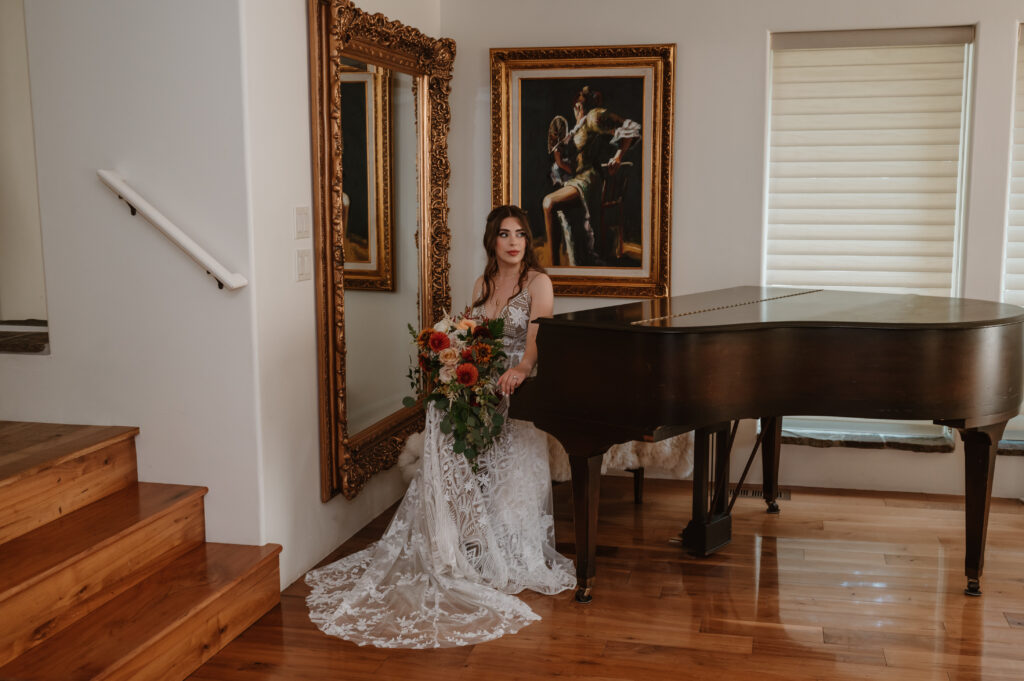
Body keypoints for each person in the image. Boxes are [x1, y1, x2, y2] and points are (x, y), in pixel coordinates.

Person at [305, 204, 576, 648]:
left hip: (517, 380)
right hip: (481, 375)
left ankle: (501, 548)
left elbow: (536, 339)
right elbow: (469, 333)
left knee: (498, 452)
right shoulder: (483, 282)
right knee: (442, 416)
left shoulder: (538, 282)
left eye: (520, 234)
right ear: (492, 241)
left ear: (528, 241)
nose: (513, 242)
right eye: (504, 234)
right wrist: (454, 360)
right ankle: (461, 541)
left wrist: (521, 370)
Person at [542, 85, 640, 266]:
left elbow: (630, 129)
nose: (577, 109)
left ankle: (552, 265)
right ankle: (556, 267)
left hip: (590, 179)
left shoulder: (594, 117)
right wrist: (558, 155)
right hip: (577, 179)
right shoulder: (576, 130)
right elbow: (571, 167)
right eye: (576, 105)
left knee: (549, 203)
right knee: (554, 206)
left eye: (580, 104)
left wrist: (618, 157)